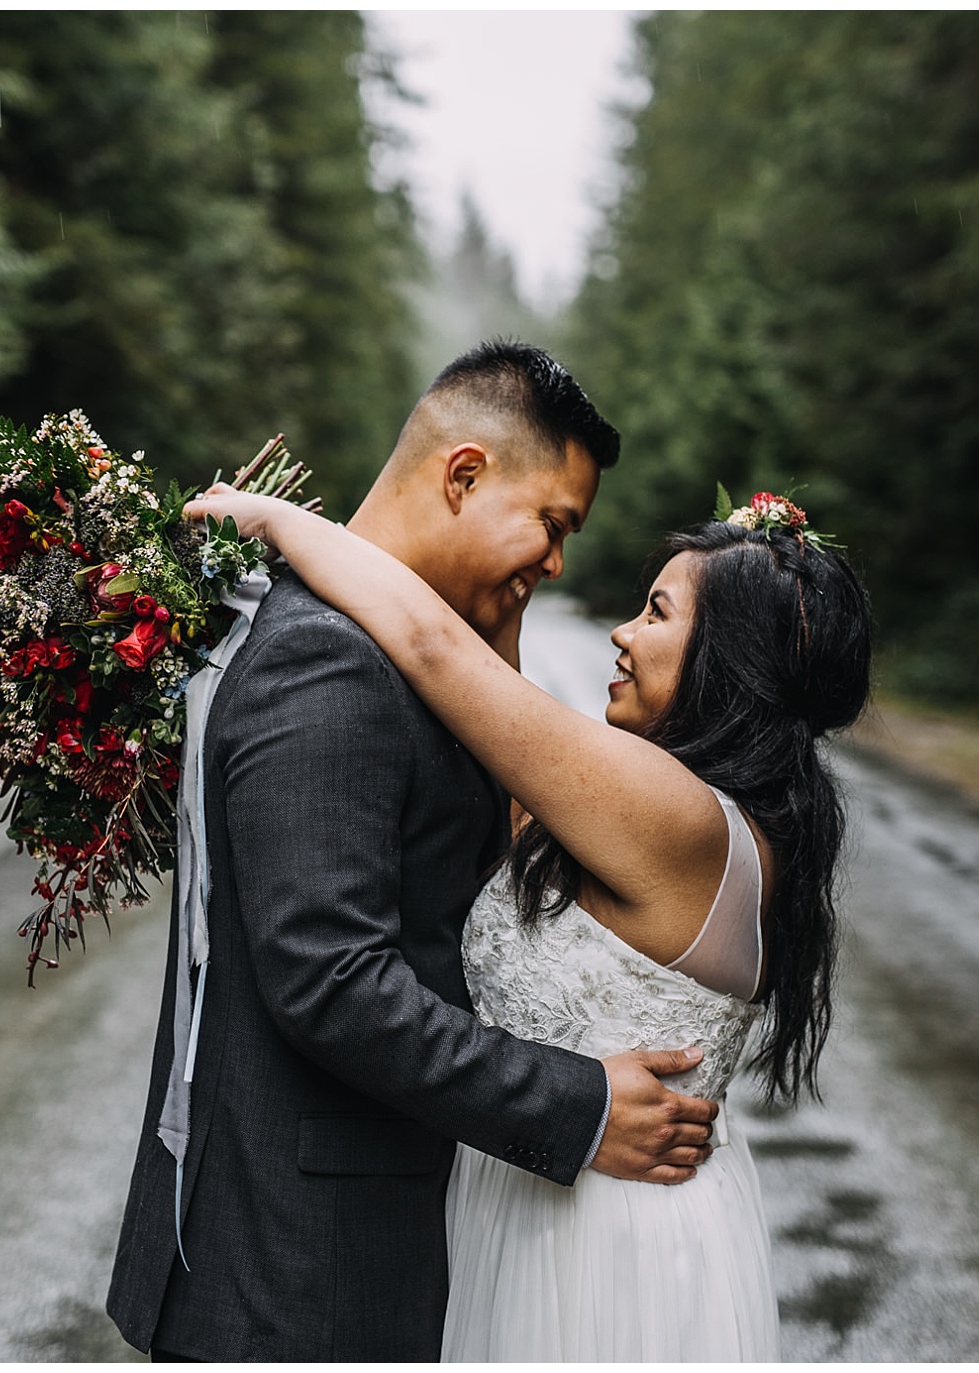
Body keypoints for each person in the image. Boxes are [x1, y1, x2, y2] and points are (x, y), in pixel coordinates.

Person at [105, 342, 722, 1362]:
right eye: (552, 524)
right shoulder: (328, 661)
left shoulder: (374, 647)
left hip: (331, 1248)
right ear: (464, 474)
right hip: (301, 1274)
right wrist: (576, 1106)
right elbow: (332, 981)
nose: (557, 564)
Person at [183, 475, 874, 1361]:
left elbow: (437, 654)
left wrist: (278, 521)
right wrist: (502, 594)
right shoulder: (673, 815)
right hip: (536, 1196)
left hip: (606, 1245)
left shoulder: (680, 816)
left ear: (730, 659)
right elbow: (502, 747)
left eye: (657, 614)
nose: (623, 634)